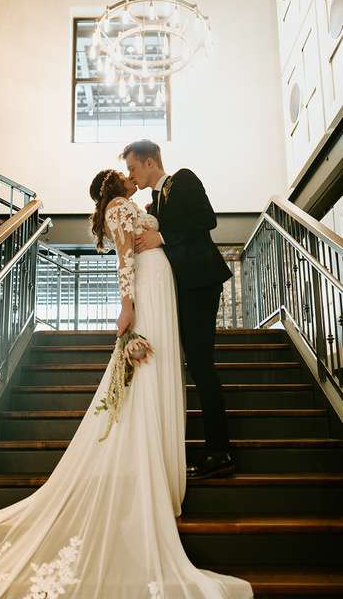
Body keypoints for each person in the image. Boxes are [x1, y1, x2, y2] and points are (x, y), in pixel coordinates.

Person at [0, 169, 253, 598]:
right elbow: (125, 257)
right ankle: (148, 464)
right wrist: (127, 307)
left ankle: (161, 465)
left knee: (158, 370)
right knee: (143, 374)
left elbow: (160, 235)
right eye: (123, 174)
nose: (131, 176)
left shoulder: (140, 205)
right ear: (112, 186)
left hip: (161, 287)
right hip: (146, 292)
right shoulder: (117, 207)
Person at [121, 140, 234, 479]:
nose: (131, 176)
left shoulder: (183, 180)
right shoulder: (153, 202)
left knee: (201, 362)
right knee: (192, 363)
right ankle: (209, 447)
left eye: (134, 168)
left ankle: (221, 451)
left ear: (151, 161)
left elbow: (207, 219)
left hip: (201, 282)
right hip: (180, 288)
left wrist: (163, 237)